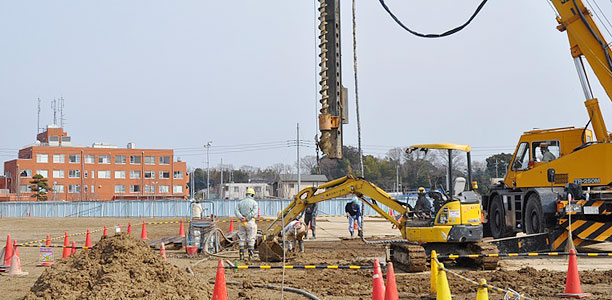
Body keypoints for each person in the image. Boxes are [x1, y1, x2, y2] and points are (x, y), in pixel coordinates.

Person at [234, 187, 258, 260]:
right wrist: (247, 218)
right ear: (252, 195)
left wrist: (241, 217)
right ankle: (250, 256)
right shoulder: (254, 203)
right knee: (251, 238)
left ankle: (241, 255)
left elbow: (236, 211)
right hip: (250, 222)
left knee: (242, 238)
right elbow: (254, 212)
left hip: (242, 223)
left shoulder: (240, 202)